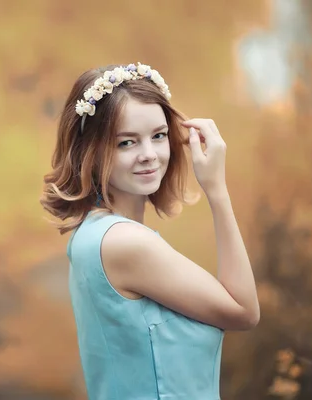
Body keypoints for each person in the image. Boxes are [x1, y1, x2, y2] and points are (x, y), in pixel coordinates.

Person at [40, 63, 260, 400]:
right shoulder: (124, 243)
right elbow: (245, 311)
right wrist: (216, 189)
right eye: (127, 143)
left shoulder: (91, 234)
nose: (149, 155)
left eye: (158, 136)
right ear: (92, 152)